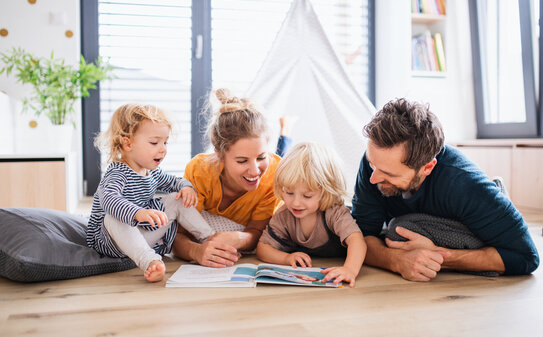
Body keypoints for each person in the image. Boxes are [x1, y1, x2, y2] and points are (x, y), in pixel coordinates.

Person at [351, 98, 539, 282]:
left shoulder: (465, 184)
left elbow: (526, 257)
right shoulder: (376, 163)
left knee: (398, 231)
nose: (373, 178)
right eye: (372, 164)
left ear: (427, 167)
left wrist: (439, 257)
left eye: (388, 174)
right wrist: (395, 261)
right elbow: (359, 236)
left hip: (472, 215)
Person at [87, 104, 213, 282]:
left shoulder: (151, 172)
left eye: (165, 142)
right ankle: (150, 261)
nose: (163, 149)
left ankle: (209, 237)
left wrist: (186, 187)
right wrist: (137, 213)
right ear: (128, 143)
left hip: (141, 236)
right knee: (112, 216)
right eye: (154, 143)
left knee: (175, 198)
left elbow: (174, 181)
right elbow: (109, 199)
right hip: (111, 241)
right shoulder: (117, 174)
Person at [172, 89, 286, 268]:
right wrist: (196, 251)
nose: (255, 170)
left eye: (261, 157)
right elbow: (176, 234)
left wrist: (240, 238)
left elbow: (259, 231)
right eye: (242, 161)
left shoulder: (274, 174)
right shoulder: (200, 171)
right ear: (219, 154)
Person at [256, 142, 367, 287]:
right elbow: (263, 248)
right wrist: (287, 258)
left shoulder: (334, 212)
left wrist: (349, 269)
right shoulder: (284, 214)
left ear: (325, 192)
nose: (296, 203)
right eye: (289, 192)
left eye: (307, 196)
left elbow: (357, 241)